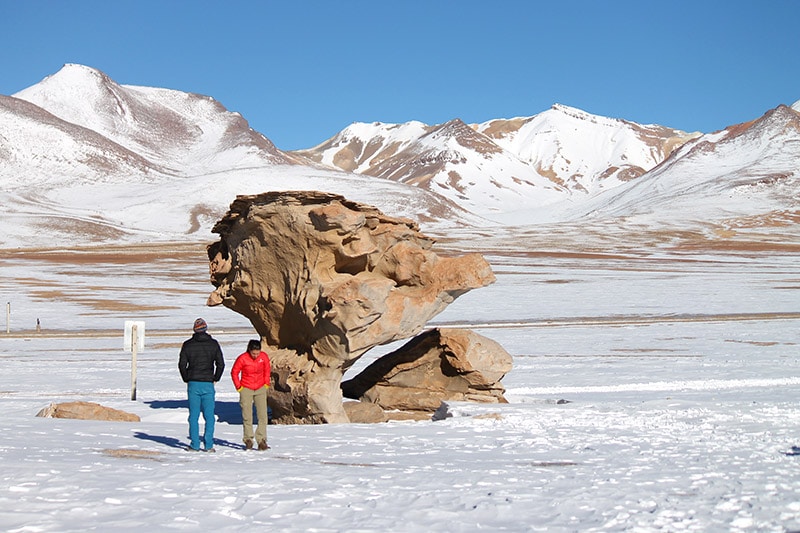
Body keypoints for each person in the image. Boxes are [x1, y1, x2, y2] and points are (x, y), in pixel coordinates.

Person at [178, 318, 225, 452]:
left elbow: (182, 364)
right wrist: (216, 378)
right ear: (206, 329)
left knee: (193, 415)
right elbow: (220, 364)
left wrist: (186, 378)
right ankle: (209, 444)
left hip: (193, 382)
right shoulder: (213, 344)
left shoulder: (187, 344)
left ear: (195, 330)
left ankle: (195, 444)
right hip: (208, 383)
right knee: (209, 416)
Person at [231, 339, 271, 451]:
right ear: (249, 350)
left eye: (257, 353)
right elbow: (234, 372)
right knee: (247, 415)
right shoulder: (242, 358)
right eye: (253, 353)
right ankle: (248, 439)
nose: (255, 355)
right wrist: (239, 387)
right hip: (246, 388)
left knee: (263, 415)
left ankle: (262, 440)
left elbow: (267, 370)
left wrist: (266, 383)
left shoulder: (263, 357)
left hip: (260, 388)